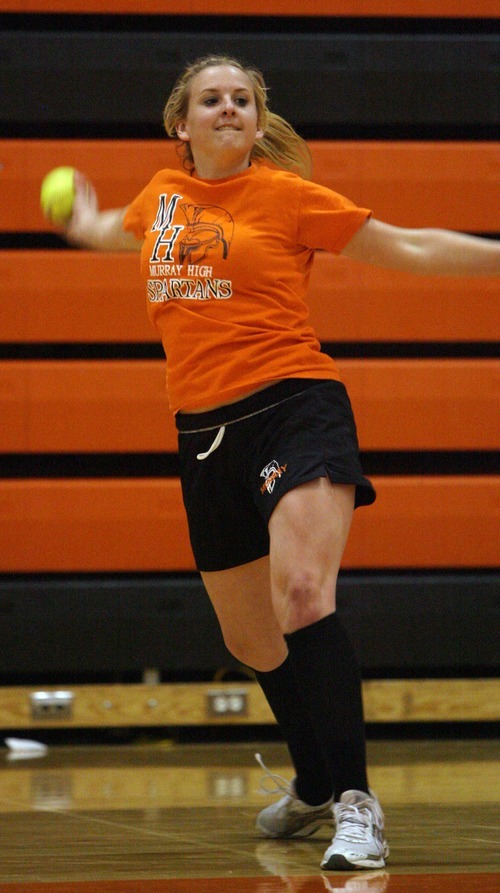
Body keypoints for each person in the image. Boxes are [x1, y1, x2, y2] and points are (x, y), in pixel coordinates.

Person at [59, 54, 499, 872]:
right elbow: (111, 230)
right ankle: (314, 781)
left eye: (243, 100)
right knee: (253, 639)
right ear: (179, 124)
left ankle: (358, 805)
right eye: (211, 99)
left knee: (302, 594)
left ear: (258, 125)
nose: (228, 108)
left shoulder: (288, 197)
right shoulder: (160, 201)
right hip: (203, 433)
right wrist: (81, 221)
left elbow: (406, 246)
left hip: (295, 408)